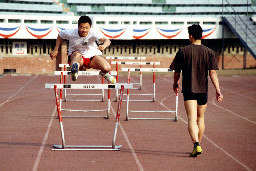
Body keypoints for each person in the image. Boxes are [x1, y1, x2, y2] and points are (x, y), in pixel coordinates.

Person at [170, 24, 223, 157]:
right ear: (202, 35)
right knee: (201, 118)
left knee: (191, 118)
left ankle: (196, 144)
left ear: (191, 36)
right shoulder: (209, 52)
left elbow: (177, 72)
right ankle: (198, 144)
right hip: (203, 89)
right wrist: (218, 90)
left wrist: (175, 83)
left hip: (189, 89)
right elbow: (213, 73)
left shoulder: (183, 51)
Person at [50, 16, 116, 84]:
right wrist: (56, 49)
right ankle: (75, 69)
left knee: (107, 68)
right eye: (82, 27)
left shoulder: (94, 33)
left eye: (87, 28)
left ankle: (104, 73)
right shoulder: (70, 32)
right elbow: (60, 35)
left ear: (90, 27)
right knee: (77, 55)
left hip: (91, 57)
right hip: (76, 57)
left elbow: (107, 40)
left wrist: (104, 45)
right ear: (78, 27)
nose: (84, 30)